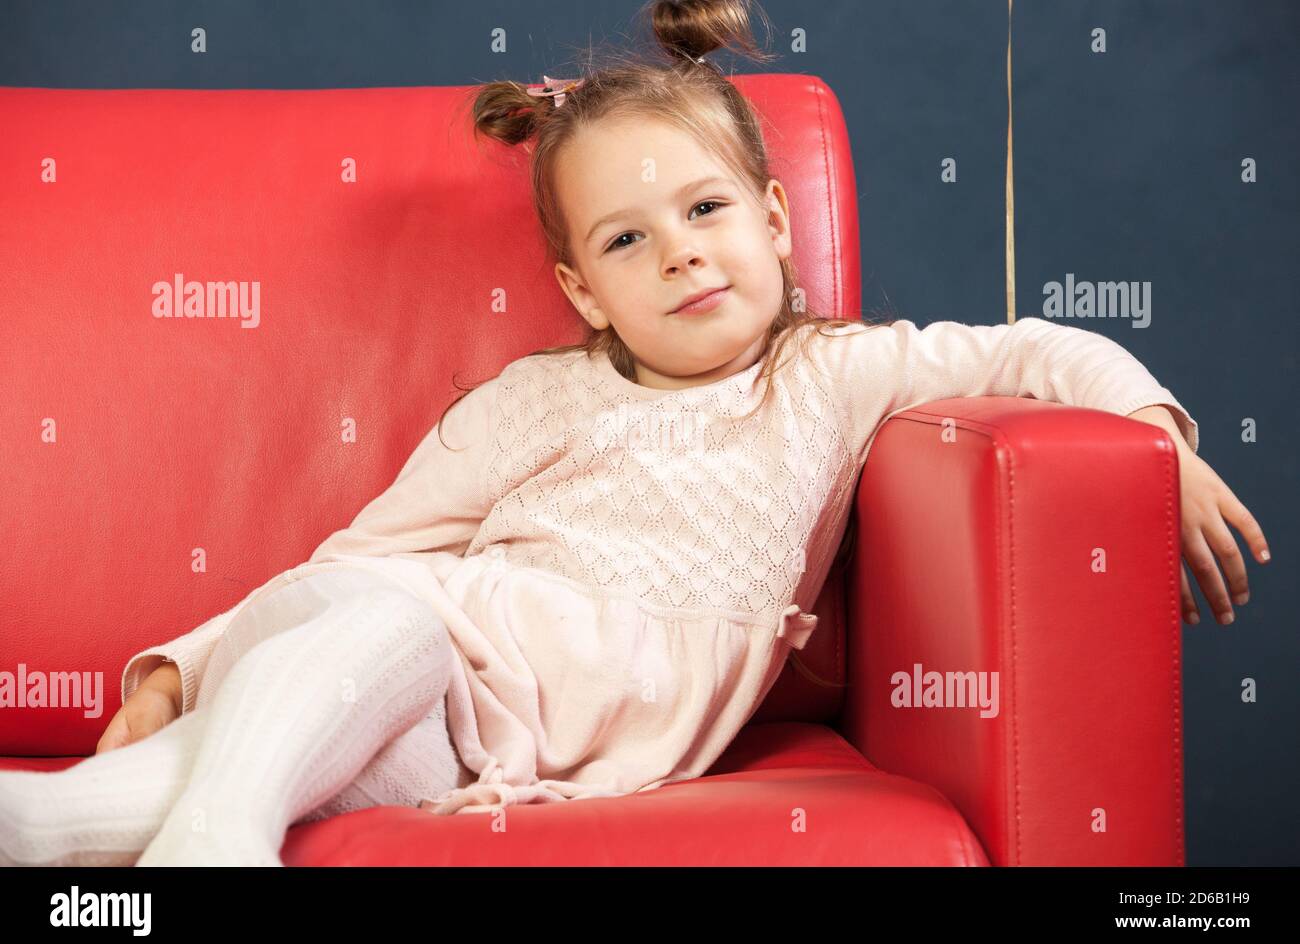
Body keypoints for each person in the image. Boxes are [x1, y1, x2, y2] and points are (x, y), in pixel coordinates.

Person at [0, 0, 1270, 867]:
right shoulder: (532, 403)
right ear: (581, 291)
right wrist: (178, 663)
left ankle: (55, 831)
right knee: (382, 620)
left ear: (776, 219)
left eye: (706, 207)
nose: (679, 252)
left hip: (457, 750)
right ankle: (213, 840)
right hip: (404, 638)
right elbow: (356, 561)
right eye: (625, 239)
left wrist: (1157, 433)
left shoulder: (837, 375)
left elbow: (1036, 346)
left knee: (316, 758)